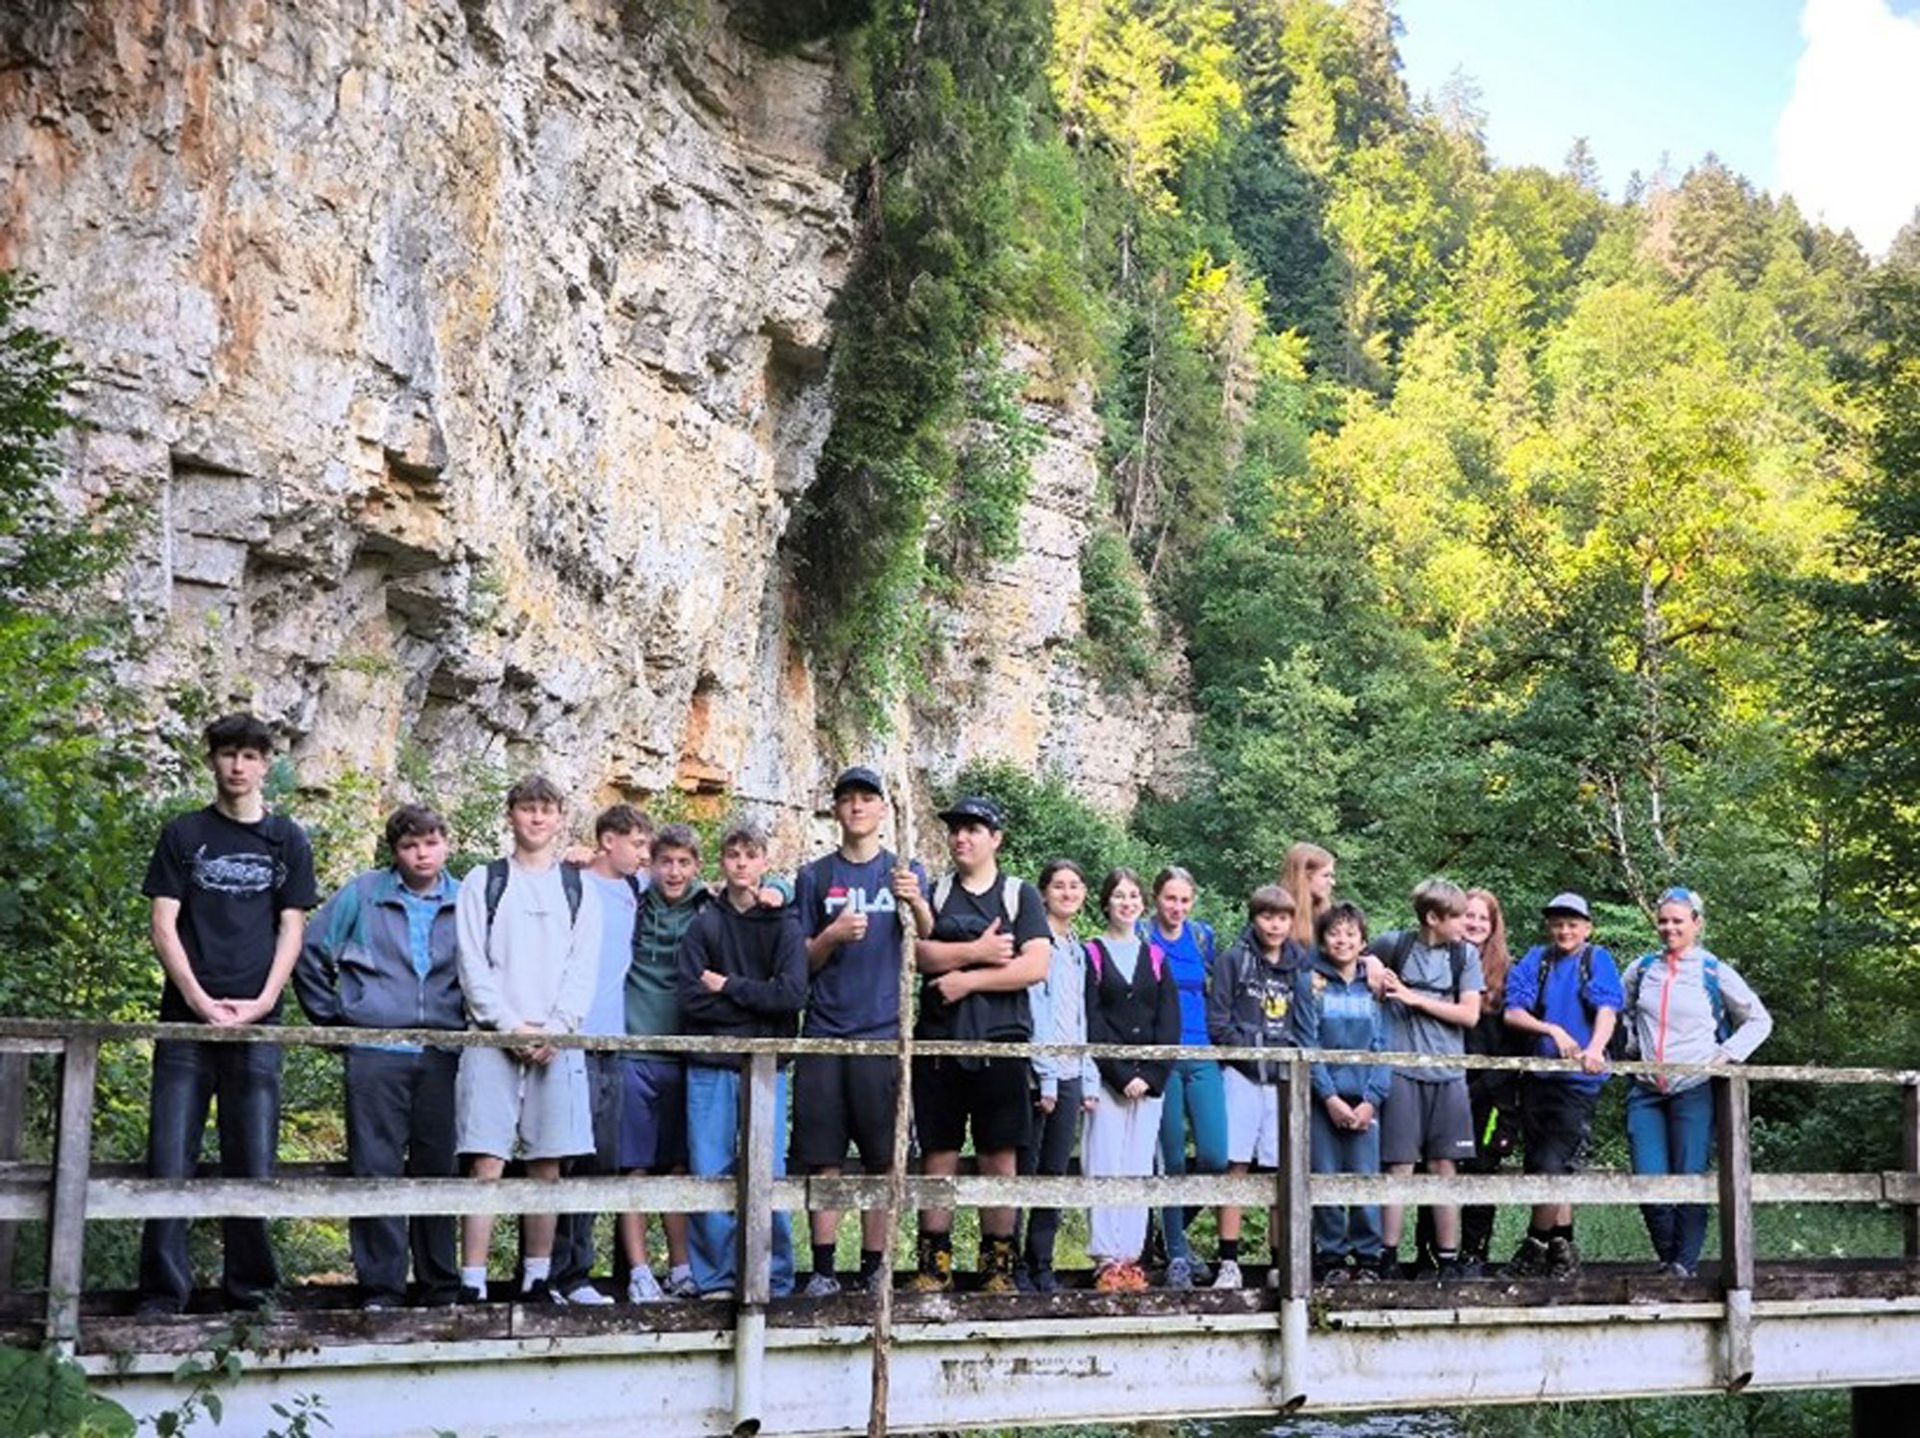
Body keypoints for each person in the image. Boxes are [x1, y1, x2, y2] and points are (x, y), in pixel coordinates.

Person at [137, 713, 318, 1315]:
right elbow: (163, 924)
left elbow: (292, 928)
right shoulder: (184, 833)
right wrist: (196, 999)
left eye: (249, 756)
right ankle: (163, 1295)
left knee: (253, 1158)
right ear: (212, 760)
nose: (238, 766)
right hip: (185, 1020)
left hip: (257, 1022)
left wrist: (264, 1002)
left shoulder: (287, 839)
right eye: (227, 754)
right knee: (169, 1157)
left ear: (267, 764)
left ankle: (251, 1294)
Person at [294, 803, 463, 1309]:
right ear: (395, 851)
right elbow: (309, 950)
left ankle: (439, 1286)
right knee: (375, 1167)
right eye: (410, 846)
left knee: (438, 1167)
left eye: (430, 843)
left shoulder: (467, 898)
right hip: (374, 1050)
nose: (421, 854)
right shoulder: (364, 893)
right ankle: (382, 1288)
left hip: (447, 1051)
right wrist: (334, 1021)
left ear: (446, 845)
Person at [453, 774, 601, 1304]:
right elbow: (472, 962)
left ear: (560, 818)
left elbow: (582, 967)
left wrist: (556, 1027)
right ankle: (471, 1282)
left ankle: (537, 1279)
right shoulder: (484, 881)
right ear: (511, 815)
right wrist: (506, 1025)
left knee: (548, 1161)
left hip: (557, 1041)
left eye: (546, 809)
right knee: (485, 1159)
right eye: (527, 808)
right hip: (492, 1037)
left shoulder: (579, 889)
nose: (536, 818)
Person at [791, 767, 931, 1297]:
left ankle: (876, 1268)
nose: (856, 807)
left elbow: (927, 941)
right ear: (835, 810)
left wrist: (917, 901)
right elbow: (800, 962)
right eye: (847, 799)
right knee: (823, 1158)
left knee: (882, 1158)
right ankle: (824, 1269)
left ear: (882, 810)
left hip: (883, 1034)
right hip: (826, 1033)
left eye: (866, 799)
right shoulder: (814, 876)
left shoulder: (905, 870)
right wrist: (831, 935)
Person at [909, 795, 1050, 1293]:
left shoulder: (1019, 895)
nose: (961, 838)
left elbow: (1035, 966)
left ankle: (998, 1268)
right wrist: (980, 951)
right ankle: (933, 1266)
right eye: (955, 830)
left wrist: (967, 980)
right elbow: (920, 955)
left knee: (999, 1155)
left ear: (996, 839)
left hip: (1001, 1043)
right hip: (940, 1043)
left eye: (972, 829)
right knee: (938, 1153)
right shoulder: (937, 891)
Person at [677, 822, 808, 1298]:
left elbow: (791, 995)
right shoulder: (704, 923)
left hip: (767, 1065)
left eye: (750, 855)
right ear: (722, 862)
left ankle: (773, 1275)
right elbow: (691, 998)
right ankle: (715, 1276)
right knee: (709, 1169)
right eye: (733, 855)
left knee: (768, 1171)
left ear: (764, 862)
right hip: (711, 1062)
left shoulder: (785, 924)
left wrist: (729, 986)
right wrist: (757, 1003)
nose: (741, 864)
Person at [1619, 887, 1772, 1277]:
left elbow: (1758, 1020)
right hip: (1646, 1089)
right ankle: (1669, 1257)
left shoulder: (1713, 971)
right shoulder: (1641, 969)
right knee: (1648, 1180)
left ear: (1697, 924)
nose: (1669, 928)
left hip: (1695, 1088)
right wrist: (1631, 1045)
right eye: (1663, 921)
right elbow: (1620, 1011)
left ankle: (1682, 1265)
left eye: (1678, 921)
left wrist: (1726, 1055)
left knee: (1690, 1177)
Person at [549, 803, 654, 1307]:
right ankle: (552, 1273)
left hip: (614, 1044)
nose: (644, 854)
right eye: (637, 844)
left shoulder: (636, 886)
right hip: (570, 1041)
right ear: (608, 840)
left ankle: (579, 1273)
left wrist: (777, 888)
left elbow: (699, 882)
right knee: (561, 1157)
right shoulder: (570, 884)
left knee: (601, 1160)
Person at [1366, 877, 1484, 1280]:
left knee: (1444, 1165)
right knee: (1398, 1165)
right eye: (1459, 917)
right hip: (1400, 1071)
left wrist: (1414, 998)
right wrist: (1371, 966)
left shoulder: (1465, 956)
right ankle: (1386, 1257)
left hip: (1449, 1073)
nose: (1466, 924)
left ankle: (1447, 1259)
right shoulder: (1394, 945)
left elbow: (1469, 1014)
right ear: (1433, 918)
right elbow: (1353, 953)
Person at [1502, 891, 1622, 1281]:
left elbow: (1608, 1008)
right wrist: (1551, 1029)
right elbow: (1513, 1012)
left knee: (1552, 1165)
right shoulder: (1537, 960)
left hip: (1578, 1083)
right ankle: (1562, 1252)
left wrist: (1595, 1048)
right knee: (1546, 1165)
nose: (1564, 931)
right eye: (1557, 924)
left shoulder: (1596, 960)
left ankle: (1534, 1246)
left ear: (1587, 928)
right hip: (1538, 1079)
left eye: (1572, 924)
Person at [618, 822, 710, 1301]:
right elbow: (596, 872)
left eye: (683, 863)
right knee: (632, 1166)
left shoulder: (707, 906)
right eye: (665, 862)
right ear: (650, 864)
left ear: (696, 867)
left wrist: (777, 887)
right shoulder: (631, 898)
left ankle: (680, 1267)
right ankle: (638, 1271)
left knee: (677, 1166)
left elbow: (765, 889)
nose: (674, 872)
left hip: (683, 1052)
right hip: (633, 1049)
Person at [1205, 884, 1310, 1290]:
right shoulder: (1234, 960)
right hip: (1241, 1075)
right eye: (1267, 916)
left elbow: (1306, 1021)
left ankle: (1279, 1262)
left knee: (1279, 1171)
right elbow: (1219, 1022)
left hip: (1283, 1080)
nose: (1274, 925)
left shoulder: (1300, 966)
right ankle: (1228, 1261)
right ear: (1254, 918)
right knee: (1235, 1166)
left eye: (1282, 918)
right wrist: (1249, 1054)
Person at [1081, 868, 1181, 1293]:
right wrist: (1120, 1075)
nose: (1127, 903)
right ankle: (1106, 1259)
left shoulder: (1155, 958)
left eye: (1134, 896)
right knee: (1104, 1161)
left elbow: (1169, 1020)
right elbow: (1091, 1019)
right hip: (1108, 1079)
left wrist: (1152, 1075)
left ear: (1143, 904)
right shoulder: (1092, 954)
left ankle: (1130, 1257)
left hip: (1149, 1080)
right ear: (1106, 902)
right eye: (1119, 895)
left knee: (1139, 1164)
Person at [1413, 886, 1516, 1275]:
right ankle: (1430, 1254)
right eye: (1467, 915)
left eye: (1482, 918)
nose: (1474, 923)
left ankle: (1473, 1254)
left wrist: (1480, 1088)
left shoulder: (1507, 975)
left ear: (1493, 925)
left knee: (1479, 1170)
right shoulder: (1439, 962)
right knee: (1435, 1166)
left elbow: (1514, 1047)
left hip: (1490, 1095)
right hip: (1441, 1084)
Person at [1293, 901, 1390, 1284]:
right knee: (1326, 1176)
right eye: (1334, 933)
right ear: (1322, 940)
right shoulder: (1310, 985)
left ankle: (1369, 1257)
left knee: (1366, 1178)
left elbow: (1384, 1047)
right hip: (1324, 1101)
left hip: (1365, 1101)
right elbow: (1308, 1043)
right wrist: (1329, 1098)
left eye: (1351, 934)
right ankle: (1331, 1255)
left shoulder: (1376, 987)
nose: (1342, 940)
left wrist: (1371, 1101)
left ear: (1363, 942)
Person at [1018, 859, 1100, 1292]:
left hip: (1071, 1072)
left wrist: (1087, 1076)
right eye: (1059, 886)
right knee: (1025, 1170)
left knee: (1054, 1172)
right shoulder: (1038, 943)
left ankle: (1041, 1262)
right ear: (1044, 893)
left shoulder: (1076, 948)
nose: (1068, 893)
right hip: (1039, 1074)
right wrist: (1047, 1077)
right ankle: (1011, 1264)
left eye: (1075, 886)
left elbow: (1079, 1016)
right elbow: (1036, 1012)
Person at [1146, 866, 1226, 1289]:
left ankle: (1171, 1230)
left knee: (1216, 1157)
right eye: (1170, 899)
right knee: (1172, 1159)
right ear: (1156, 898)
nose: (1176, 907)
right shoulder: (1143, 935)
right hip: (1163, 1055)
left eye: (1184, 900)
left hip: (1203, 1052)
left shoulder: (1202, 937)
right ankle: (1177, 1253)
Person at [1278, 842, 1337, 949]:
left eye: (1332, 876)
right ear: (1304, 877)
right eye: (1326, 876)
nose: (1333, 883)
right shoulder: (1275, 913)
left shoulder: (1327, 916)